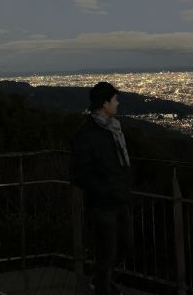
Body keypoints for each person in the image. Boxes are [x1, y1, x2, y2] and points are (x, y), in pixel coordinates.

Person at [70, 82, 133, 295]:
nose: (118, 103)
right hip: (102, 204)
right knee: (108, 251)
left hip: (119, 199)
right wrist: (107, 190)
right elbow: (80, 174)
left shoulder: (114, 129)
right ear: (104, 103)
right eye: (115, 99)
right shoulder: (87, 134)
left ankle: (100, 281)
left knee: (124, 246)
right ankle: (103, 288)